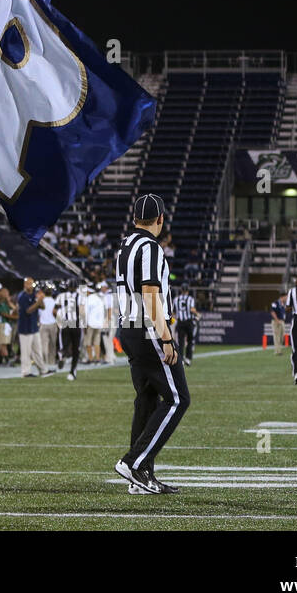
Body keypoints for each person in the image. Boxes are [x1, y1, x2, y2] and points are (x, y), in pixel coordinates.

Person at [112, 194, 187, 496]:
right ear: (160, 220)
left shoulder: (126, 246)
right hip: (147, 329)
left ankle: (141, 477)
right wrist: (166, 335)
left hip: (129, 326)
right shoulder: (150, 247)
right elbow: (150, 293)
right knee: (178, 398)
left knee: (147, 400)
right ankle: (134, 463)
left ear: (134, 219)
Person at [16, 278, 43, 377]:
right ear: (24, 284)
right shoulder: (22, 296)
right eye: (27, 284)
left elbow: (42, 307)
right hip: (25, 327)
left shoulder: (34, 294)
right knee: (26, 352)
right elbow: (28, 310)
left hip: (33, 326)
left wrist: (41, 299)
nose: (29, 285)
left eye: (31, 283)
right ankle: (26, 372)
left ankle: (43, 369)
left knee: (38, 350)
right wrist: (38, 302)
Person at [57, 280, 83, 381]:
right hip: (76, 325)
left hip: (65, 324)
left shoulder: (62, 296)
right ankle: (72, 372)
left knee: (64, 346)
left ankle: (62, 356)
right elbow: (82, 311)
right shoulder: (80, 297)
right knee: (76, 350)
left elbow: (55, 310)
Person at [171, 282, 199, 367]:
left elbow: (174, 313)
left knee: (181, 342)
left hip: (180, 322)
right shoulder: (190, 299)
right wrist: (198, 314)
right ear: (188, 290)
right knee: (190, 340)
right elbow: (192, 309)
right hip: (189, 322)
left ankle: (181, 359)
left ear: (181, 290)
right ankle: (188, 359)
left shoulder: (176, 299)